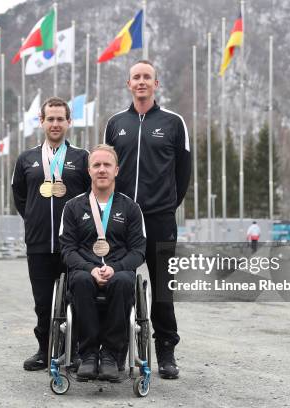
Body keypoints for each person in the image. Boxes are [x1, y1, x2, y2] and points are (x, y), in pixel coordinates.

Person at [104, 60, 191, 379]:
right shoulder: (115, 123)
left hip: (159, 219)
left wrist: (164, 205)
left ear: (157, 84)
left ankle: (166, 351)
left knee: (163, 289)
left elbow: (183, 173)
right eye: (136, 77)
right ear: (129, 84)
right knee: (117, 282)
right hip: (121, 219)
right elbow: (105, 169)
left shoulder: (174, 122)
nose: (142, 82)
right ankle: (114, 351)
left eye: (147, 77)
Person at [12, 97, 90, 371]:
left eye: (60, 119)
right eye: (50, 119)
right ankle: (44, 351)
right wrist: (35, 218)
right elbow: (21, 197)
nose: (55, 124)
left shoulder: (83, 158)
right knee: (43, 303)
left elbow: (93, 197)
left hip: (76, 245)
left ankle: (77, 351)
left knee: (79, 298)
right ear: (41, 121)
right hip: (39, 242)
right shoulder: (26, 159)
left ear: (69, 122)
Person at [59, 144, 146, 381]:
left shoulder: (131, 208)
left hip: (118, 269)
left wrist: (115, 267)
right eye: (96, 165)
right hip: (86, 269)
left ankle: (111, 356)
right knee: (81, 281)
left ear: (116, 170)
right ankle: (87, 355)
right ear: (89, 171)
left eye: (107, 165)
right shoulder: (73, 207)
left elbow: (139, 251)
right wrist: (91, 268)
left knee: (122, 282)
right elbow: (67, 249)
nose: (101, 170)